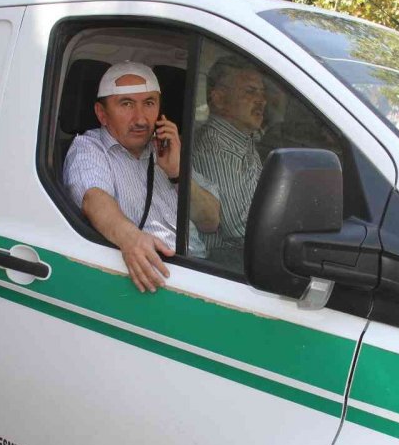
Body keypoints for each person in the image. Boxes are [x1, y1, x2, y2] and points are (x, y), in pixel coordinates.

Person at [64, 61, 220, 293]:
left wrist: (178, 174)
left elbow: (210, 222)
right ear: (102, 114)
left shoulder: (166, 148)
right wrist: (130, 239)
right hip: (156, 277)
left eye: (149, 103)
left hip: (201, 270)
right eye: (126, 104)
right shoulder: (89, 148)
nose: (140, 119)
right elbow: (94, 199)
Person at [191, 56, 266, 268]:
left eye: (262, 93)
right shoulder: (215, 148)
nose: (261, 101)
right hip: (225, 264)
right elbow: (239, 229)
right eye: (250, 92)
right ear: (219, 99)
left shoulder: (243, 140)